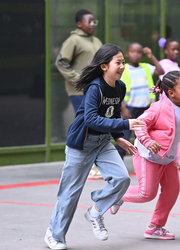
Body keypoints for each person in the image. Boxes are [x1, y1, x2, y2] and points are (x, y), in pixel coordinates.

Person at [44, 44, 145, 250]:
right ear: (104, 66)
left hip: (103, 142)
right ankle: (54, 235)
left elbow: (114, 113)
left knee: (122, 178)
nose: (122, 66)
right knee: (70, 193)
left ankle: (95, 211)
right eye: (118, 62)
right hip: (82, 144)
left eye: (123, 62)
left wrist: (119, 137)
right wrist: (125, 125)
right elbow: (91, 119)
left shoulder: (120, 87)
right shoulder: (94, 87)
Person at [109, 71, 180, 240]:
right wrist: (147, 141)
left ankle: (155, 227)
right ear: (171, 93)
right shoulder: (159, 107)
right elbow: (139, 125)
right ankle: (116, 196)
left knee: (172, 191)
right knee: (146, 194)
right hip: (148, 156)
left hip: (167, 158)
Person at [55, 9, 104, 179]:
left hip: (96, 90)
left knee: (95, 126)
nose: (92, 24)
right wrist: (78, 79)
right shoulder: (73, 40)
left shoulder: (96, 41)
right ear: (79, 24)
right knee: (87, 125)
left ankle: (92, 164)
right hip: (79, 92)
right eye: (89, 21)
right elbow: (61, 62)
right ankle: (84, 165)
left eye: (94, 21)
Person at [116, 42, 164, 160]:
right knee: (124, 138)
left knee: (146, 137)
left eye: (139, 52)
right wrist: (123, 109)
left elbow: (161, 71)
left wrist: (151, 55)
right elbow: (118, 91)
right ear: (127, 54)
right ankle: (117, 163)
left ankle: (147, 161)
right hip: (129, 109)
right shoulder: (124, 69)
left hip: (145, 108)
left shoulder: (146, 67)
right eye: (133, 52)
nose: (136, 54)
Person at [158, 38, 180, 170]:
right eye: (172, 49)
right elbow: (162, 81)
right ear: (165, 50)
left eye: (177, 49)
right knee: (170, 132)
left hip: (176, 103)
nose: (176, 52)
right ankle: (167, 159)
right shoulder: (164, 63)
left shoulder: (175, 65)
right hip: (168, 104)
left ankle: (178, 159)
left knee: (178, 131)